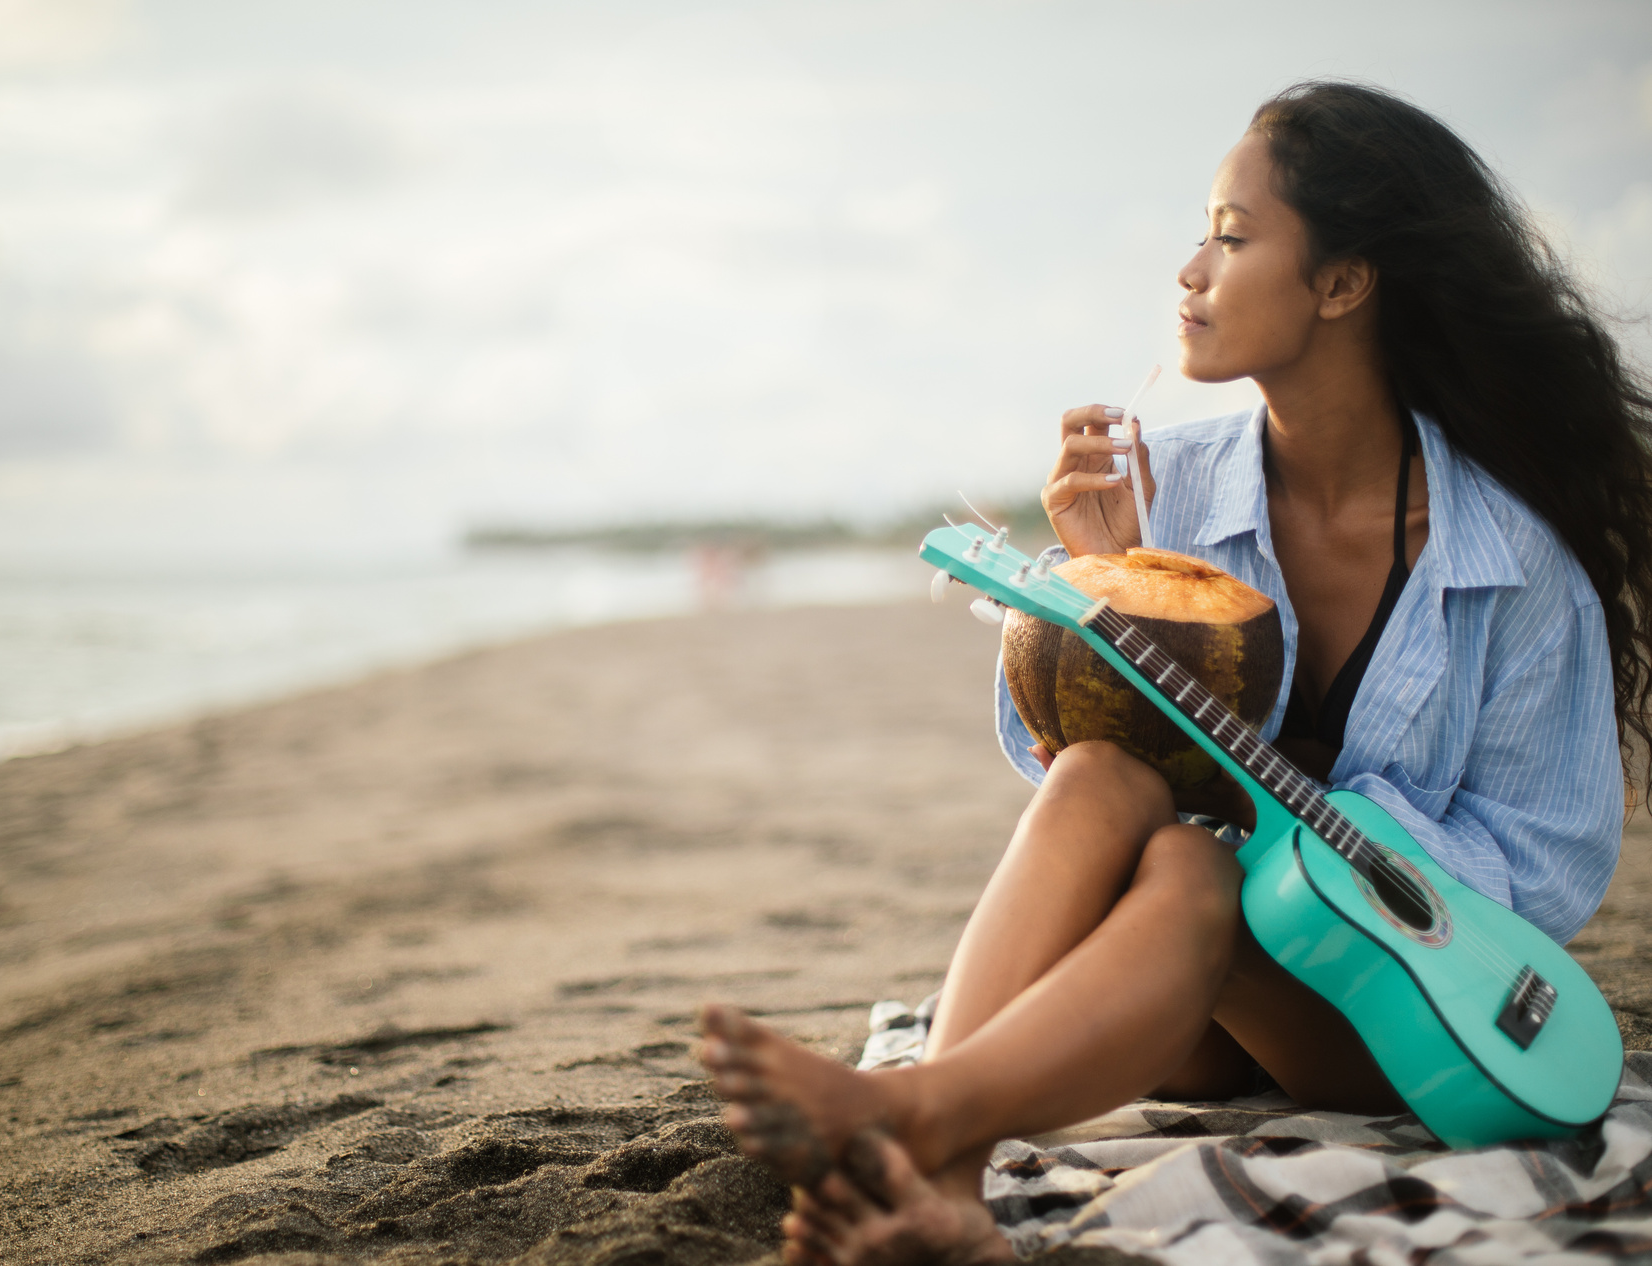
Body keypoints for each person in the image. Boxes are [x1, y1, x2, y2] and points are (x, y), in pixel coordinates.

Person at [697, 79, 1652, 1266]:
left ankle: (916, 1117)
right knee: (1107, 780)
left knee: (1202, 864)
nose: (1189, 269)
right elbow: (1041, 756)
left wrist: (1337, 838)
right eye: (1201, 233)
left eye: (1232, 236)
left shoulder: (1510, 560)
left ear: (1343, 284)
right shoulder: (1169, 490)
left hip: (1381, 1006)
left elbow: (1547, 867)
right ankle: (942, 1178)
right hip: (1179, 995)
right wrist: (1102, 584)